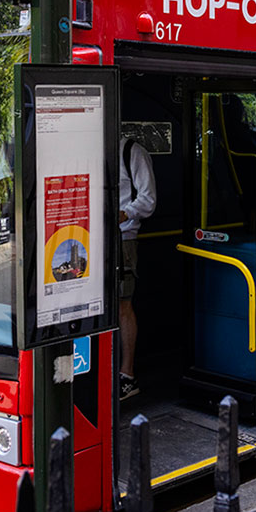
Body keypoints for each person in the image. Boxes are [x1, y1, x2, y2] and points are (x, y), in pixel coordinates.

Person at [117, 133, 157, 401]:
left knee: (123, 305)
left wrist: (124, 213)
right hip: (90, 239)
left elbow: (148, 199)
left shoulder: (131, 150)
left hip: (123, 239)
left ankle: (127, 375)